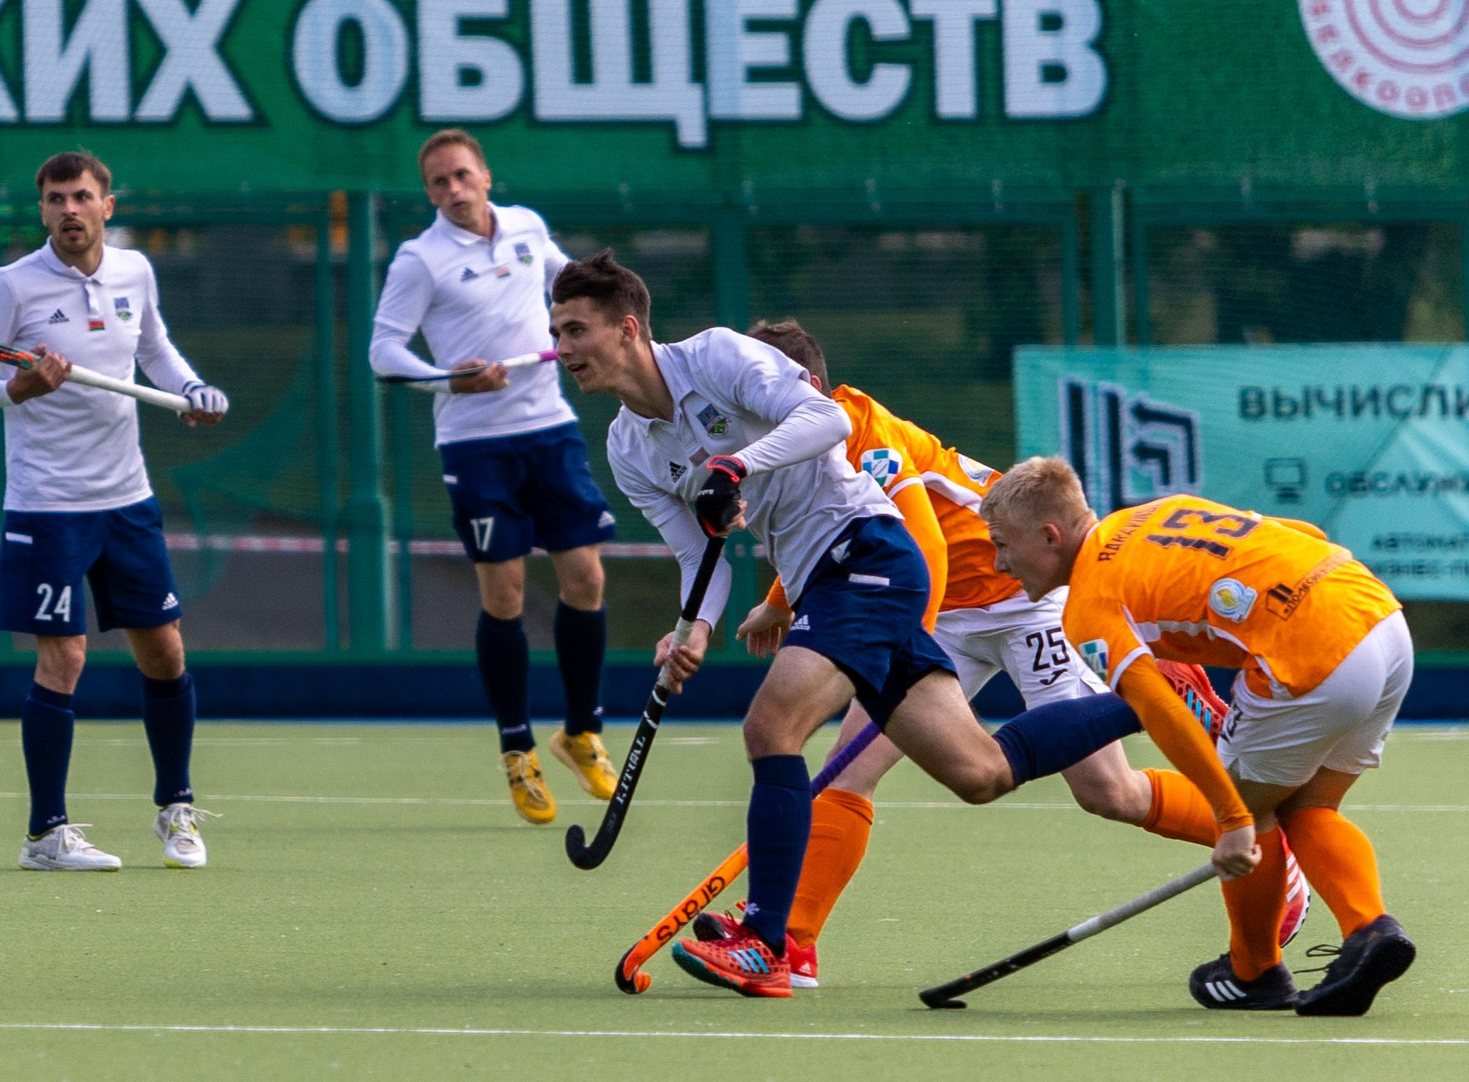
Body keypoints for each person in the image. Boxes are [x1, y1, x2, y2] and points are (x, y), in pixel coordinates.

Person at [545, 252, 1250, 999]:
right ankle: (1150, 694)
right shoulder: (628, 446)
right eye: (556, 333)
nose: (562, 348)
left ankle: (769, 942)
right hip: (829, 580)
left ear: (628, 329)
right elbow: (701, 553)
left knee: (771, 727)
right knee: (980, 773)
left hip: (867, 556)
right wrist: (693, 627)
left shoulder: (716, 356)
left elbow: (826, 419)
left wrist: (738, 465)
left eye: (575, 330)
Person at [715, 321, 1308, 987]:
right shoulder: (784, 441)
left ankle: (1266, 850)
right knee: (849, 771)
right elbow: (829, 531)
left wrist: (900, 638)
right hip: (941, 611)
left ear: (806, 385)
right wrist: (780, 600)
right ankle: (791, 943)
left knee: (1107, 791)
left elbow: (923, 543)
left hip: (1020, 592)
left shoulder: (858, 429)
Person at [984, 459, 1417, 1015]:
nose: (999, 564)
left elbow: (1160, 708)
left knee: (1250, 809)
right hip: (1379, 617)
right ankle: (1370, 930)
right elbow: (1303, 533)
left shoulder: (1089, 605)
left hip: (1312, 654)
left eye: (1002, 545)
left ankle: (1254, 972)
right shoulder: (1158, 512)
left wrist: (1232, 819)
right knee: (1309, 807)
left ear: (1050, 536)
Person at [0, 151, 228, 871]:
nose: (68, 209)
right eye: (55, 198)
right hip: (47, 506)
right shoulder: (10, 286)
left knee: (165, 650)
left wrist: (191, 390)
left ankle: (176, 809)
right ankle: (45, 834)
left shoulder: (135, 271)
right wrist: (16, 390)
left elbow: (155, 349)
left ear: (107, 204)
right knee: (64, 657)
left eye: (81, 196)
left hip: (127, 499)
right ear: (41, 209)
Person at [368, 130, 618, 825]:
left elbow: (570, 288)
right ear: (429, 193)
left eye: (462, 175)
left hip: (550, 428)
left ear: (485, 176)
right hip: (476, 444)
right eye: (439, 181)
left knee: (586, 578)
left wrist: (600, 315)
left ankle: (582, 732)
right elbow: (384, 351)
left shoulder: (527, 227)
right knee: (504, 592)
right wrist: (449, 378)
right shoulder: (420, 259)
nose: (453, 189)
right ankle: (517, 748)